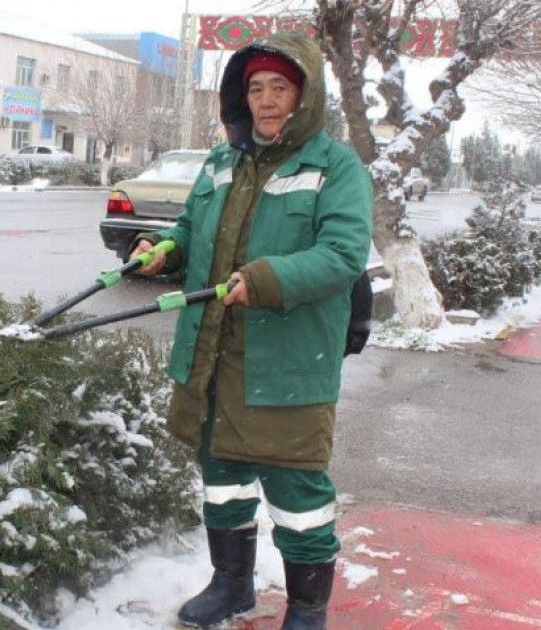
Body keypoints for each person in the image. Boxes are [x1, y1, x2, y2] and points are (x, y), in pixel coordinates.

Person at [130, 32, 372, 630]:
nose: (266, 100)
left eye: (279, 88)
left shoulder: (335, 168)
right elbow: (191, 228)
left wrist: (265, 279)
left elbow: (343, 254)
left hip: (287, 361)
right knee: (223, 481)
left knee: (298, 497)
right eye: (256, 88)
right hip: (215, 354)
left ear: (305, 95)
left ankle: (308, 608)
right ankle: (232, 584)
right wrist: (164, 250)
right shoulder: (220, 162)